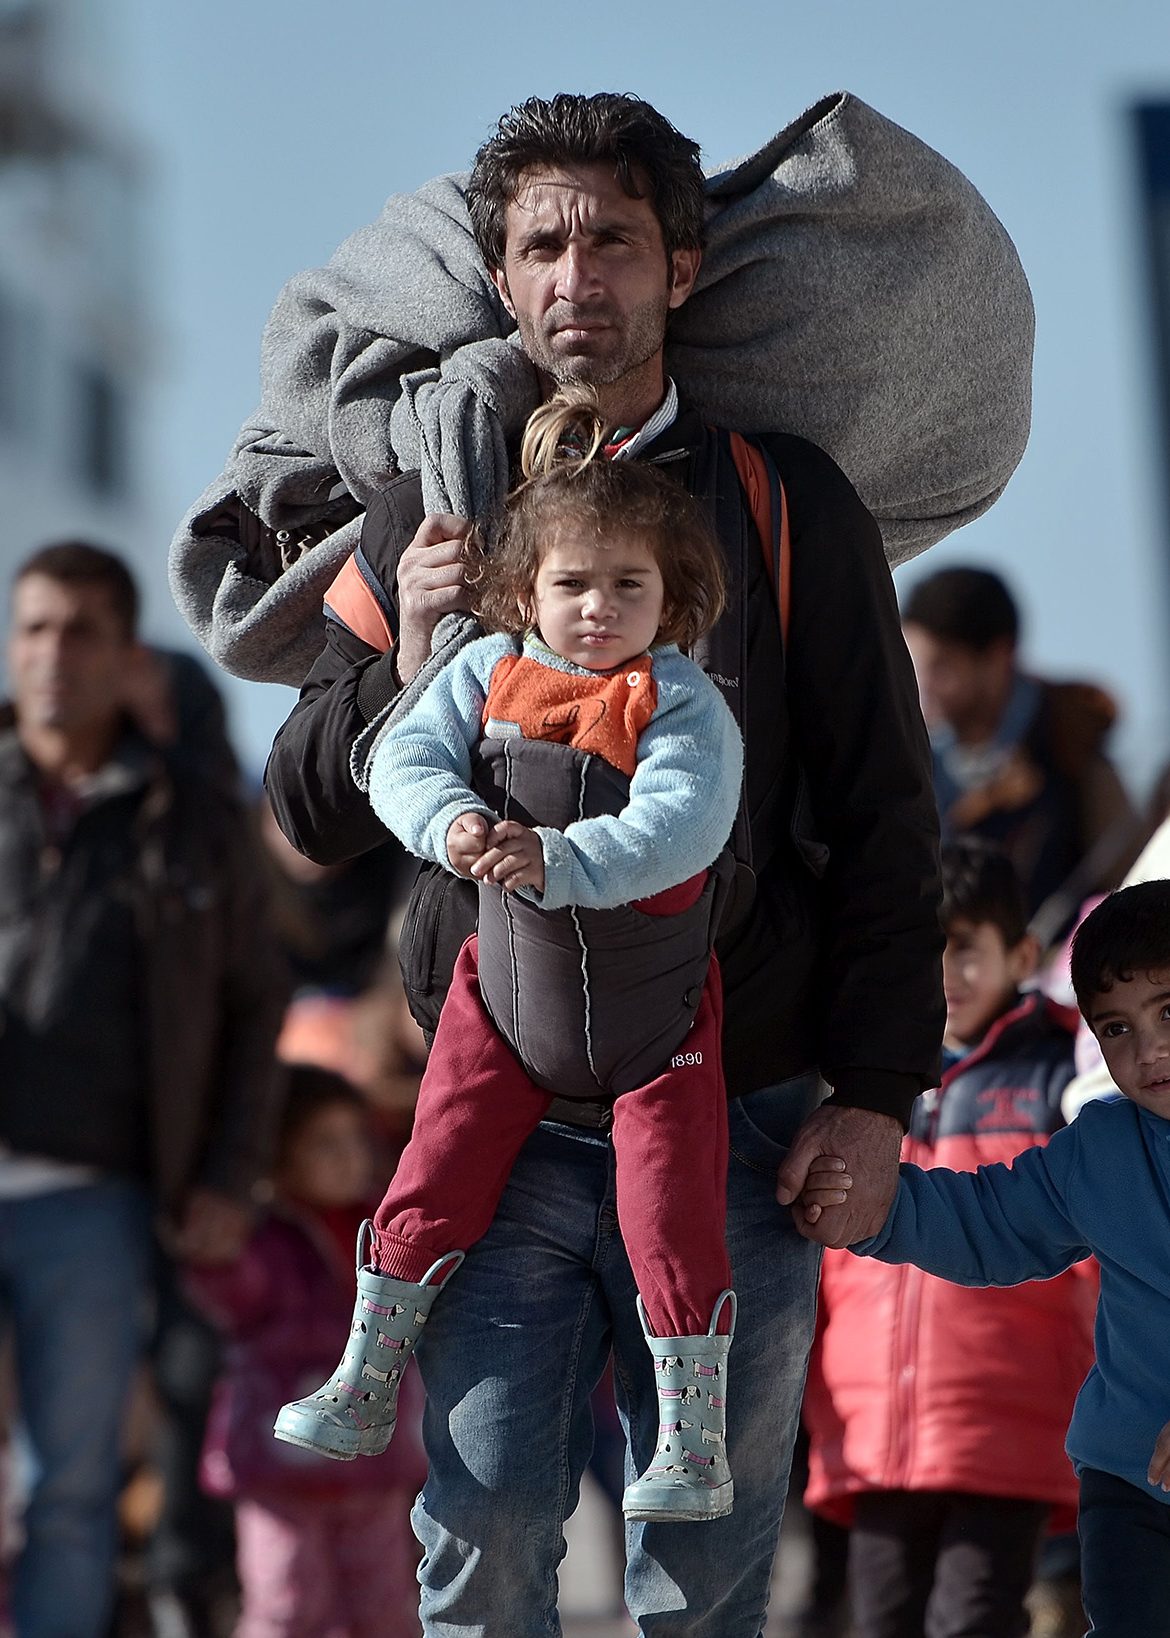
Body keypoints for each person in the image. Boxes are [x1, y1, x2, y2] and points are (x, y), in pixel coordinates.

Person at [265, 93, 945, 1633]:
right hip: (489, 1121)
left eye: (614, 239)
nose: (579, 273)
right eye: (543, 244)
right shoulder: (426, 505)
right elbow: (302, 815)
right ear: (501, 283)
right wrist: (405, 636)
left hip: (739, 1108)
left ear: (680, 272)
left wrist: (875, 1093)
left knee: (701, 1576)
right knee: (486, 1534)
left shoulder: (784, 505)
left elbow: (889, 817)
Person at [277, 388, 747, 1521]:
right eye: (573, 585)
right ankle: (363, 1379)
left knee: (670, 1213)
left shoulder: (682, 702)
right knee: (429, 1169)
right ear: (525, 591)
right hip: (504, 1007)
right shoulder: (483, 672)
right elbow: (397, 764)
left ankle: (692, 1444)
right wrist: (454, 827)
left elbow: (683, 823)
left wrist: (560, 860)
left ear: (670, 597)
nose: (598, 609)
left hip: (656, 1029)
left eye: (628, 586)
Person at [0, 541, 287, 1638]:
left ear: (126, 655)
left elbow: (255, 1010)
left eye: (78, 630)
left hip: (98, 1202)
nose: (50, 653)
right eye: (32, 626)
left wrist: (227, 1175)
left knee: (71, 1496)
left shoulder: (194, 819)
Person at [817, 877, 1170, 1638]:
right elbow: (989, 1221)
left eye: (1169, 1013)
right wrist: (872, 1206)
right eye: (1116, 1029)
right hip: (1131, 1483)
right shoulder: (1100, 1147)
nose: (1150, 1052)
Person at [188, 1064, 426, 1638]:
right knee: (287, 1604)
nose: (349, 1157)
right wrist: (214, 1252)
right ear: (278, 1157)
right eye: (325, 1144)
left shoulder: (390, 1231)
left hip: (373, 1467)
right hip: (281, 1472)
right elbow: (234, 1292)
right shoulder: (265, 1241)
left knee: (385, 1608)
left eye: (355, 1140)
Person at [901, 564, 1138, 935]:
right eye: (914, 665)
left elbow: (1131, 892)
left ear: (997, 657)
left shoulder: (1072, 752)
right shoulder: (913, 760)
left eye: (942, 666)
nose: (924, 684)